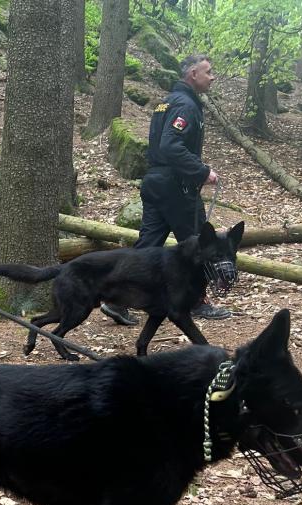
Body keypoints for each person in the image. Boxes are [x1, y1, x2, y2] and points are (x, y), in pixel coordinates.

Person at [101, 54, 229, 326]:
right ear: (193, 74)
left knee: (147, 245)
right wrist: (202, 171)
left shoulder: (165, 102)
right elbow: (171, 146)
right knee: (198, 241)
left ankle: (116, 299)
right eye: (208, 71)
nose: (212, 76)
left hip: (155, 182)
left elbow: (162, 145)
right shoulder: (186, 105)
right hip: (177, 187)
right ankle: (197, 301)